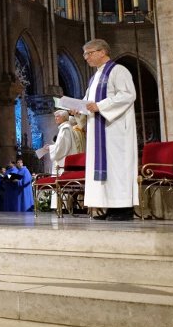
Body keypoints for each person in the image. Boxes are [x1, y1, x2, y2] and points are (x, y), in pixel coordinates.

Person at [81, 38, 138, 221]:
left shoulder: (118, 70)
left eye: (89, 53)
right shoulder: (94, 77)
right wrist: (79, 109)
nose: (86, 57)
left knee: (117, 167)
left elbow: (128, 95)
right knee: (104, 169)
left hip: (115, 130)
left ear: (102, 52)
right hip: (98, 130)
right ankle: (110, 206)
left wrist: (101, 106)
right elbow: (89, 103)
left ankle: (124, 209)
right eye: (85, 54)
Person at [45, 109, 82, 175]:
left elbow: (62, 147)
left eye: (57, 116)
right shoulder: (65, 128)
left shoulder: (65, 129)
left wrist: (50, 148)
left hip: (64, 163)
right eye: (55, 117)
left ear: (64, 117)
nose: (55, 118)